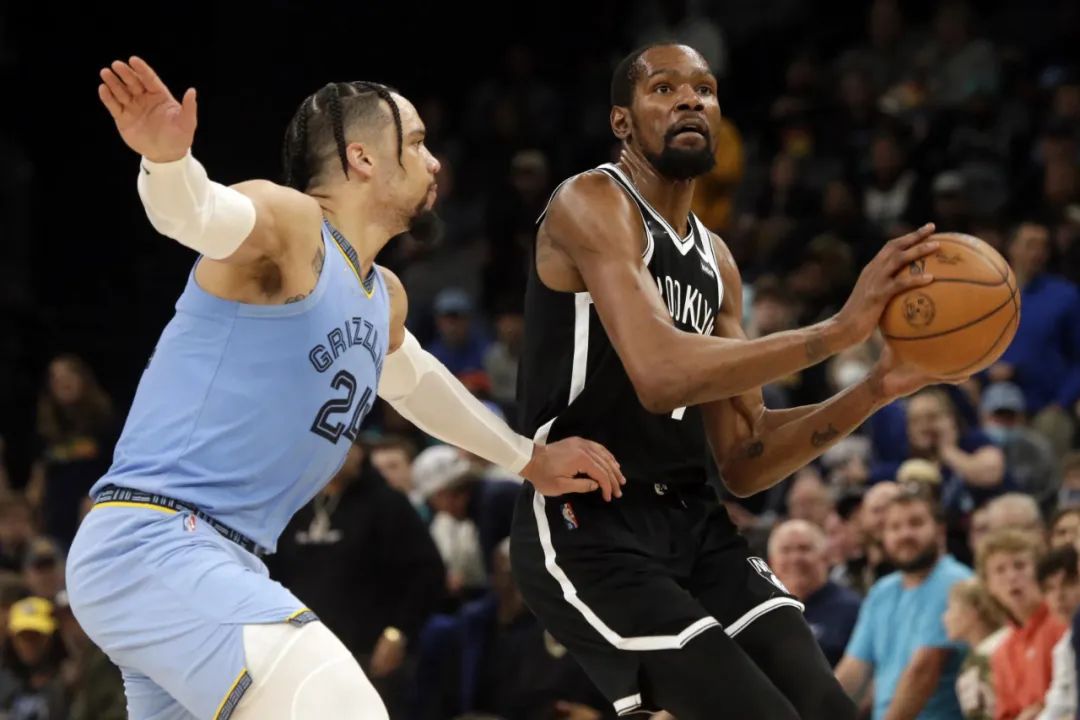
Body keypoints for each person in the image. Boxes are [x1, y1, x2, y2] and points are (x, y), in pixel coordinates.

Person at [67, 56, 626, 720]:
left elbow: (416, 383)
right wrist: (167, 163)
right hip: (157, 542)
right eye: (416, 143)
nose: (435, 162)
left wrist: (528, 459)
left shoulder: (381, 296)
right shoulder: (292, 226)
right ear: (362, 157)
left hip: (214, 561)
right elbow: (199, 215)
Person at [510, 42, 951, 720]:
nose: (690, 99)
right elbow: (660, 377)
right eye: (664, 89)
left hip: (695, 519)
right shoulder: (591, 201)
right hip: (589, 523)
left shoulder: (717, 261)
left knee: (826, 708)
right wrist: (838, 331)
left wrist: (876, 387)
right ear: (622, 121)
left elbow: (745, 458)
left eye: (705, 89)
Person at [835, 486, 973, 719]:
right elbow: (853, 669)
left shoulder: (955, 582)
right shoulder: (882, 591)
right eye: (895, 527)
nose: (905, 534)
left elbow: (923, 671)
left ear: (939, 530)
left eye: (916, 523)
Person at [943, 578, 1009, 720]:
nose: (944, 617)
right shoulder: (1006, 643)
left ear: (973, 612)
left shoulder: (982, 660)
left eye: (950, 608)